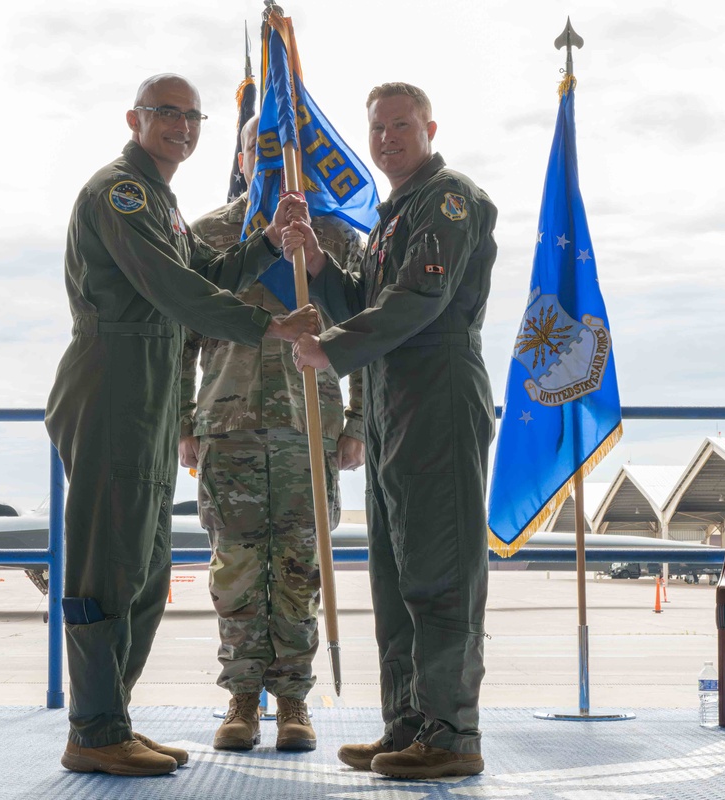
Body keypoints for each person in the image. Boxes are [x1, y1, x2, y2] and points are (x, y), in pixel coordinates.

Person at [45, 73, 319, 778]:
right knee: (108, 563)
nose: (184, 126)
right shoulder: (123, 193)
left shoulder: (162, 203)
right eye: (167, 113)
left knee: (144, 568)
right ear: (134, 118)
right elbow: (178, 290)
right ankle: (94, 728)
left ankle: (111, 722)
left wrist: (267, 240)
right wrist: (271, 324)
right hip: (114, 387)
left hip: (150, 393)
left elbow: (210, 269)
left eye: (192, 116)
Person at [288, 82, 498, 780]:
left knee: (439, 569)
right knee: (395, 571)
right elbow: (371, 298)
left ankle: (453, 735)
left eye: (400, 126)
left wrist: (334, 346)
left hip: (435, 392)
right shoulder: (392, 218)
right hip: (390, 400)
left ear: (429, 127)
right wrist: (320, 267)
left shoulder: (447, 200)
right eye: (377, 128)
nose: (386, 139)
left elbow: (421, 298)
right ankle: (408, 723)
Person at [179, 115, 365, 752]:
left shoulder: (335, 233)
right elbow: (180, 333)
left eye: (280, 145)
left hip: (307, 429)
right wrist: (183, 421)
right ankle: (241, 700)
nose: (268, 156)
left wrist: (359, 424)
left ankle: (293, 704)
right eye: (257, 145)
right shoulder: (210, 234)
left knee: (299, 570)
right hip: (226, 428)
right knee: (234, 569)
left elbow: (365, 329)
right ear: (240, 150)